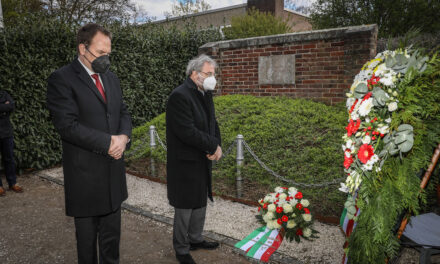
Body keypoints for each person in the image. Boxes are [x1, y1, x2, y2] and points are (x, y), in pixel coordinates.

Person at [46, 23, 132, 264]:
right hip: (85, 180)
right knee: (86, 250)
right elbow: (67, 126)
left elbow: (123, 112)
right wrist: (108, 142)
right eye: (100, 53)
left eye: (108, 54)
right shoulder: (61, 79)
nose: (106, 59)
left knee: (111, 245)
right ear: (83, 49)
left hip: (114, 178)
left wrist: (123, 137)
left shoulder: (111, 78)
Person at [166, 54, 222, 264]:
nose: (212, 78)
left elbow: (212, 123)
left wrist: (218, 146)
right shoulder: (180, 96)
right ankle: (181, 248)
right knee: (185, 205)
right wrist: (211, 145)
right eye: (208, 74)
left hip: (202, 157)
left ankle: (196, 238)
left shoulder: (205, 93)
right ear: (194, 74)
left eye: (213, 74)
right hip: (185, 161)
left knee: (200, 199)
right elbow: (186, 131)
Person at [0, 90, 23, 196]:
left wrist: (6, 107)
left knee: (9, 158)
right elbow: (6, 107)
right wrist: (4, 107)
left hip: (7, 132)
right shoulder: (4, 97)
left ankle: (12, 183)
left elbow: (11, 106)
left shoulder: (4, 93)